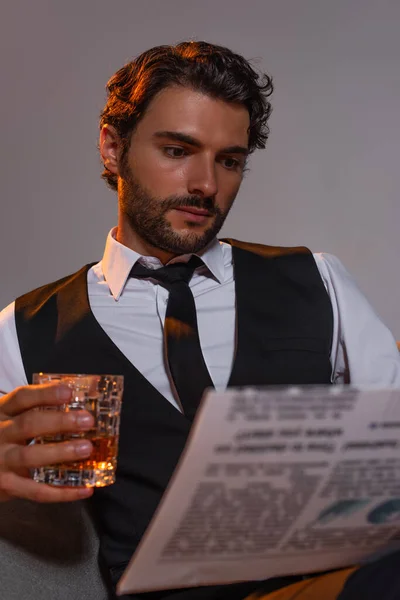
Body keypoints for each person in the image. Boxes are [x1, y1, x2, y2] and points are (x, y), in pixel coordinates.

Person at [0, 41, 399, 600]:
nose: (206, 185)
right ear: (113, 149)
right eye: (177, 150)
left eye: (229, 160)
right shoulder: (22, 331)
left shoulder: (318, 279)